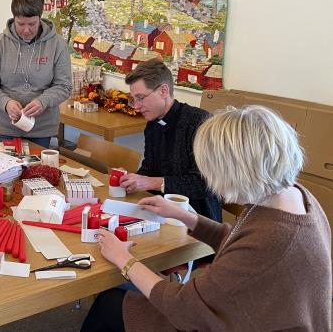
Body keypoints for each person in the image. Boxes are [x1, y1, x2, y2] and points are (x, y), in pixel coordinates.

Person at [82, 105, 332, 331]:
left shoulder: (275, 236)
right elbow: (240, 245)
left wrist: (124, 260)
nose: (209, 179)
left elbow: (184, 307)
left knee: (109, 304)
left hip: (242, 320)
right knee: (118, 298)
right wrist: (187, 217)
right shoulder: (292, 195)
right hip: (258, 313)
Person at [119, 58, 221, 222]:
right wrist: (133, 180)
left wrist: (151, 183)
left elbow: (205, 185)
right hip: (161, 214)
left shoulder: (199, 122)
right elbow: (150, 169)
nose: (136, 106)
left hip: (198, 220)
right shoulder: (153, 124)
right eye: (134, 99)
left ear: (163, 91)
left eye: (141, 98)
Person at [0, 0, 71, 148]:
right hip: (7, 127)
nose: (26, 30)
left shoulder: (57, 44)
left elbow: (64, 86)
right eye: (20, 24)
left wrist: (43, 101)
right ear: (13, 18)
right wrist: (6, 103)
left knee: (39, 172)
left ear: (40, 18)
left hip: (42, 129)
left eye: (32, 24)